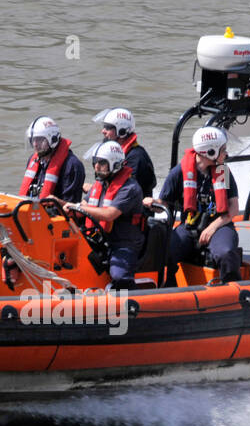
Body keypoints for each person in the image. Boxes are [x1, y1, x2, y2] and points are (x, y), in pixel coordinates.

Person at [156, 126, 242, 284]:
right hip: (189, 226)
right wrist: (148, 201)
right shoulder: (178, 173)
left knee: (226, 253)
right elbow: (162, 203)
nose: (226, 153)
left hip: (220, 225)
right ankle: (169, 290)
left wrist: (212, 227)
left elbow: (233, 208)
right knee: (165, 253)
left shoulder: (224, 171)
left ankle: (233, 291)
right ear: (210, 152)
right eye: (223, 150)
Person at [61, 140, 145, 290]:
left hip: (124, 243)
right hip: (99, 238)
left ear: (115, 165)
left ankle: (133, 302)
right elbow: (84, 207)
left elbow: (109, 214)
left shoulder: (130, 188)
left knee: (119, 274)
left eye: (102, 163)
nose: (96, 167)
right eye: (95, 162)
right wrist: (59, 204)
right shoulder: (100, 185)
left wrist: (77, 207)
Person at [92, 107, 156, 199]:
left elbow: (126, 191)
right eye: (104, 127)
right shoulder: (114, 153)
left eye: (108, 128)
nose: (103, 131)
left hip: (131, 210)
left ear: (121, 131)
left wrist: (93, 189)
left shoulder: (136, 157)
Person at [20, 116, 84, 202]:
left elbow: (70, 208)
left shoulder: (72, 166)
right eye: (32, 140)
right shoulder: (34, 160)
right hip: (33, 211)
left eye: (39, 140)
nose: (35, 144)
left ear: (53, 139)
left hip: (55, 214)